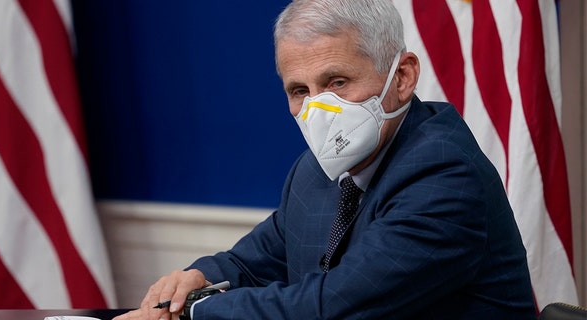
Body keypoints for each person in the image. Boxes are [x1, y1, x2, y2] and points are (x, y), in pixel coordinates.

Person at [115, 0, 537, 319]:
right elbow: (254, 261)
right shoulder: (318, 169)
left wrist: (197, 309)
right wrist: (197, 279)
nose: (318, 109)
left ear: (403, 77)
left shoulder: (445, 173)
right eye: (300, 90)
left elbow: (333, 307)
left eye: (337, 82)